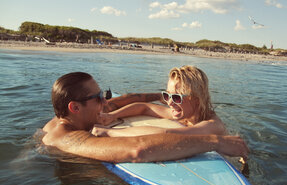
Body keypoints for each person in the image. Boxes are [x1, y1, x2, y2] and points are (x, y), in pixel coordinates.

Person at [42, 72, 249, 163]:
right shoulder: (66, 137)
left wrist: (158, 96)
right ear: (75, 107)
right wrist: (215, 142)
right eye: (98, 98)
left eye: (103, 95)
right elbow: (137, 149)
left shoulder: (73, 117)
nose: (105, 103)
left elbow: (125, 101)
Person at [93, 66, 227, 137]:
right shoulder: (185, 114)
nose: (169, 103)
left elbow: (169, 134)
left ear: (197, 99)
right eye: (167, 95)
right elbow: (144, 107)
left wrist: (109, 132)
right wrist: (112, 116)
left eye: (176, 97)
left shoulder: (212, 125)